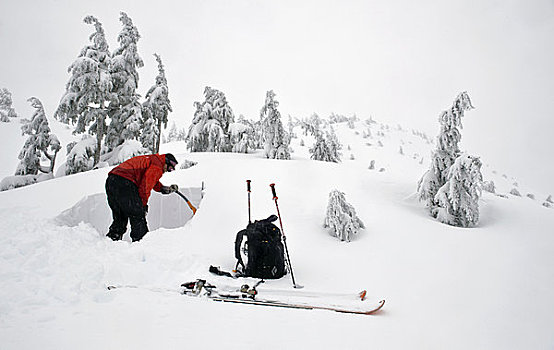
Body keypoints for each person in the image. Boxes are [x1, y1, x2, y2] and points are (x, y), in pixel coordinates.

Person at [105, 153, 179, 242]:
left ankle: (111, 241)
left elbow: (151, 180)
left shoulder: (152, 161)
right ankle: (142, 244)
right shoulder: (157, 165)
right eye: (170, 168)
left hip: (112, 181)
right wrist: (143, 205)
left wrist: (163, 189)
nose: (169, 171)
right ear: (166, 162)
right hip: (125, 182)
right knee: (138, 215)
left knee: (120, 217)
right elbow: (145, 187)